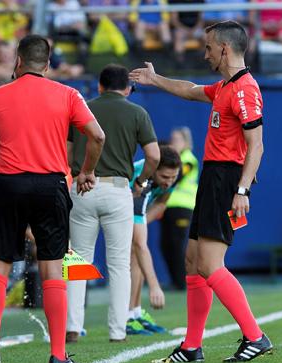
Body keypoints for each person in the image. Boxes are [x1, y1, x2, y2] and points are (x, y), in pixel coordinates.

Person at [130, 20, 273, 363]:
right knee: (193, 262)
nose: (205, 52)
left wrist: (242, 190)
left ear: (225, 48)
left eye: (208, 47)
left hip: (226, 181)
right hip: (213, 179)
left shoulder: (244, 89)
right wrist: (156, 79)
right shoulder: (226, 85)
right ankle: (192, 346)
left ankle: (256, 336)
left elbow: (257, 146)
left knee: (210, 265)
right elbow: (192, 89)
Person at [0, 34, 105, 363]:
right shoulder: (68, 94)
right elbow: (98, 136)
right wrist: (86, 171)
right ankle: (59, 355)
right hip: (51, 185)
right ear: (48, 64)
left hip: (8, 183)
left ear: (17, 61)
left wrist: (4, 177)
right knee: (52, 268)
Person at [66, 63, 160, 344]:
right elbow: (154, 156)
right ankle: (118, 330)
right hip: (119, 190)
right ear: (128, 89)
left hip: (81, 187)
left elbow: (68, 151)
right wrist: (141, 181)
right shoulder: (137, 112)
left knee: (78, 260)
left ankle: (72, 326)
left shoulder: (82, 109)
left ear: (99, 85)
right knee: (119, 264)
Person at [127, 146, 181, 336]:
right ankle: (127, 317)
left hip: (135, 211)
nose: (169, 182)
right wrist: (155, 287)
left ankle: (134, 312)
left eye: (173, 177)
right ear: (154, 169)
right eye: (165, 177)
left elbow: (161, 204)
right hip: (110, 206)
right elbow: (141, 244)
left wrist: (142, 224)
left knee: (136, 253)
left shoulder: (172, 176)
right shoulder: (142, 181)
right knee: (136, 251)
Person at [160, 127, 199, 290]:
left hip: (183, 208)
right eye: (172, 139)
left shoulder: (188, 159)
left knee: (178, 245)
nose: (173, 143)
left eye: (177, 140)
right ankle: (176, 281)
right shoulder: (173, 159)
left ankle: (183, 282)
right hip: (168, 207)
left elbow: (177, 177)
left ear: (186, 142)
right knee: (165, 245)